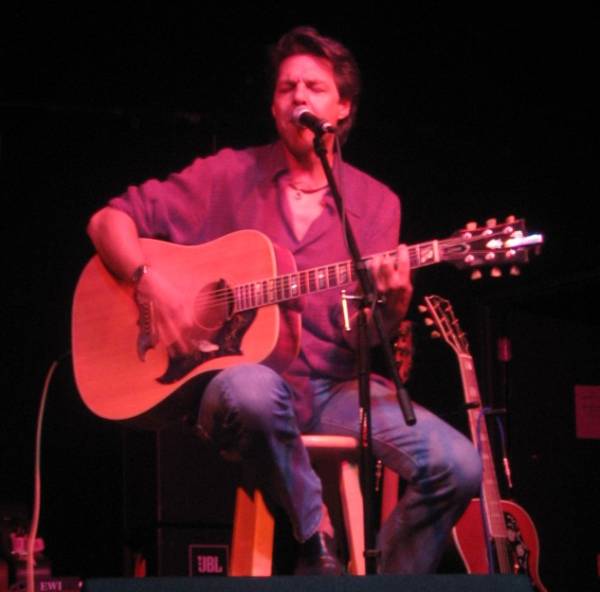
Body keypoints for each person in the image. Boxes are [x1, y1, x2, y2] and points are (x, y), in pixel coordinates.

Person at [87, 26, 481, 575]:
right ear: (274, 108)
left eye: (315, 87)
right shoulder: (226, 175)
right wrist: (150, 281)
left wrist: (388, 312)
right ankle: (314, 540)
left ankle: (381, 583)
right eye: (286, 87)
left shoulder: (375, 204)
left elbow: (359, 337)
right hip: (237, 384)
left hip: (334, 388)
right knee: (253, 388)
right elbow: (108, 222)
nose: (299, 96)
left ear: (342, 108)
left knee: (459, 465)